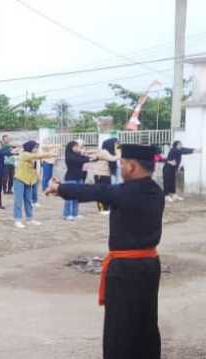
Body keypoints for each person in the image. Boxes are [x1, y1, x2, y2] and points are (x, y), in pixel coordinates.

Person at [46, 144, 163, 359]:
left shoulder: (125, 192)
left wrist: (59, 188)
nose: (120, 167)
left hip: (126, 269)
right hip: (150, 265)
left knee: (120, 327)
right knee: (145, 321)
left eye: (122, 163)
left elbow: (95, 190)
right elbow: (100, 190)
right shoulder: (156, 190)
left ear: (132, 166)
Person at [13, 141, 56, 228]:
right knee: (18, 201)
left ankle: (30, 219)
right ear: (30, 147)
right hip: (19, 180)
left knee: (28, 201)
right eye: (35, 147)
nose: (36, 149)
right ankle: (17, 220)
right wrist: (49, 154)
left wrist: (37, 177)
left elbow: (31, 168)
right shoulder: (24, 154)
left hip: (29, 181)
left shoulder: (30, 156)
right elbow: (36, 156)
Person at [62, 141, 96, 221]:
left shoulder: (78, 155)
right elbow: (79, 160)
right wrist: (90, 158)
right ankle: (66, 214)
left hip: (79, 178)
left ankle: (75, 213)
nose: (77, 148)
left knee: (76, 197)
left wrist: (94, 158)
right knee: (69, 197)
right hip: (71, 179)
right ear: (71, 147)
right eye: (75, 147)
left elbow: (85, 159)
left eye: (78, 147)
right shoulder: (69, 157)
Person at [91, 139, 121, 215]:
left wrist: (118, 149)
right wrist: (119, 153)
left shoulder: (108, 151)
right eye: (116, 145)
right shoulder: (104, 152)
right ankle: (102, 209)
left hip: (105, 174)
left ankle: (106, 209)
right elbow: (113, 158)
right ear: (110, 144)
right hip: (100, 175)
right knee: (101, 192)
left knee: (106, 192)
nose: (117, 146)